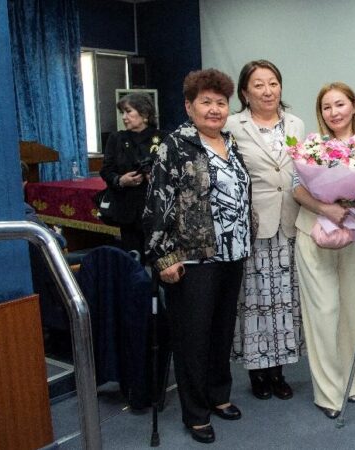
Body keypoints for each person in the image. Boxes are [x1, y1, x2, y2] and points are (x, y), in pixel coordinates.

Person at [144, 69, 253, 444]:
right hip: (191, 258)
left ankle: (219, 394)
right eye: (205, 102)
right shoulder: (175, 146)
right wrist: (164, 257)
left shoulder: (230, 143)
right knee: (192, 337)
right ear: (189, 106)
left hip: (232, 252)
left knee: (221, 331)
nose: (214, 109)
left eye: (221, 102)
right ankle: (195, 412)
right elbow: (157, 204)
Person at [292, 82, 355, 419]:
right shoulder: (313, 147)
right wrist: (325, 208)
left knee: (354, 311)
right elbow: (297, 189)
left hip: (354, 237)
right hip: (314, 235)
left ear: (353, 106)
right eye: (326, 107)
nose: (333, 112)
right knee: (323, 313)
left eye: (339, 104)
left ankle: (354, 381)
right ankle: (328, 392)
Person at [226, 60, 305, 402]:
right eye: (258, 85)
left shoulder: (296, 123)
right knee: (256, 300)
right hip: (254, 224)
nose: (268, 90)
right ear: (245, 92)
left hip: (290, 222)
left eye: (273, 83)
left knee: (285, 299)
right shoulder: (231, 125)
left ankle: (279, 371)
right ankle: (257, 372)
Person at [100, 93, 166, 259]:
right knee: (133, 259)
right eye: (122, 112)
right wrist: (120, 180)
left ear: (144, 114)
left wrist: (156, 177)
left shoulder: (164, 138)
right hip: (128, 210)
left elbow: (175, 172)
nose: (124, 117)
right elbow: (106, 171)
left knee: (160, 260)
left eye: (128, 111)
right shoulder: (116, 138)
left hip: (157, 210)